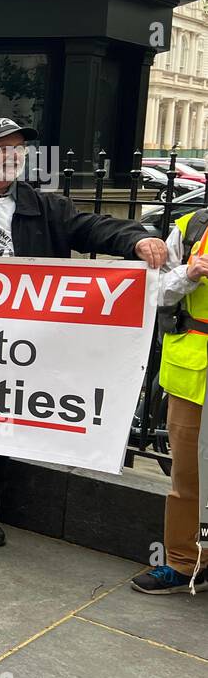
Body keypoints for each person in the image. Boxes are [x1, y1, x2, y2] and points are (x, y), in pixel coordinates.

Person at [0, 116, 167, 546]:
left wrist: (136, 238)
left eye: (18, 150)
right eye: (2, 148)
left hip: (12, 341)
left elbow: (91, 227)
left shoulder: (44, 207)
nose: (11, 157)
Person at [131, 207, 208, 593]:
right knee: (188, 477)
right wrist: (189, 275)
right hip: (192, 375)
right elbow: (154, 290)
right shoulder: (191, 227)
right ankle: (184, 561)